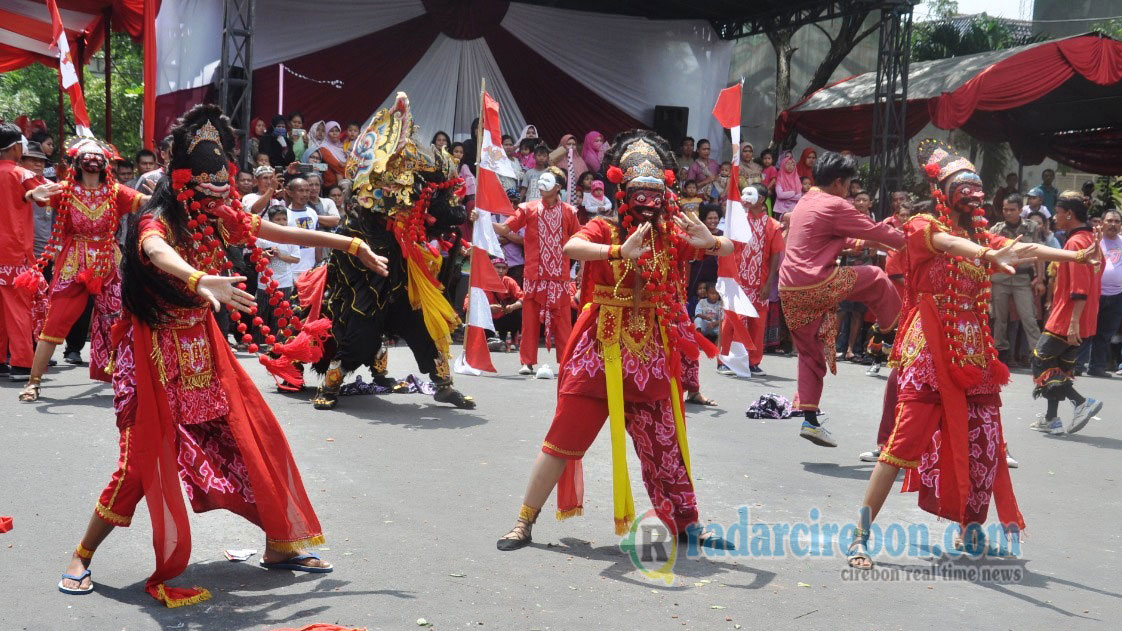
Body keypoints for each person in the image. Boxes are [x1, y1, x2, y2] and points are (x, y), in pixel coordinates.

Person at [55, 104, 389, 605]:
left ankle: (280, 545)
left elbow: (272, 232)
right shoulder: (160, 216)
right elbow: (152, 251)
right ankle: (82, 552)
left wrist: (347, 243)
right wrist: (198, 277)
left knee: (250, 441)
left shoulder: (216, 214)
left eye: (222, 187)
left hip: (202, 348)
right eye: (206, 188)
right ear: (185, 182)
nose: (217, 199)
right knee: (140, 466)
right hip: (151, 353)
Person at [846, 142, 1099, 570]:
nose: (973, 194)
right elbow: (945, 242)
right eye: (964, 186)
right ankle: (859, 535)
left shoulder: (983, 235)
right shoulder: (922, 225)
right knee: (902, 443)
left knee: (985, 443)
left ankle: (970, 526)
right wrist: (986, 255)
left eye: (977, 187)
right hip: (930, 350)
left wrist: (1074, 254)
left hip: (974, 351)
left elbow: (1027, 251)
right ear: (944, 190)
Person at [495, 129, 735, 552]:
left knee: (665, 444)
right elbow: (571, 247)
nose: (646, 202)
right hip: (600, 346)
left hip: (651, 352)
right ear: (624, 190)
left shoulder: (670, 233)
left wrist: (713, 242)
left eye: (654, 193)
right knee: (563, 437)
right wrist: (617, 253)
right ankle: (523, 521)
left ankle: (687, 524)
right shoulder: (604, 227)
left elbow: (732, 246)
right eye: (638, 192)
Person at [274, 93, 474, 411]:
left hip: (399, 268)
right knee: (363, 327)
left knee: (423, 324)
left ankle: (443, 386)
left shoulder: (402, 201)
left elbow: (438, 219)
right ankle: (330, 386)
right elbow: (352, 246)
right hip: (365, 273)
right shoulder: (365, 211)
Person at [778, 152, 904, 448]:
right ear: (838, 182)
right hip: (815, 283)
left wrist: (868, 241)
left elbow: (836, 238)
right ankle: (888, 335)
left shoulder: (806, 201)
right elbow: (873, 229)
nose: (849, 191)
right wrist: (913, 239)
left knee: (811, 353)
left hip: (790, 288)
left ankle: (810, 420)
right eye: (848, 186)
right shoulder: (834, 204)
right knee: (875, 276)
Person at [18, 138, 150, 402]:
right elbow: (36, 194)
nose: (93, 161)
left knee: (121, 320)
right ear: (77, 162)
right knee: (55, 322)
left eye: (98, 157)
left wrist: (163, 193)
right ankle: (34, 381)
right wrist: (32, 194)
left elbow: (144, 201)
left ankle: (131, 378)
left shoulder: (116, 191)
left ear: (106, 164)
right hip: (72, 264)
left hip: (108, 263)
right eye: (87, 157)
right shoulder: (65, 190)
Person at [492, 167, 580, 376]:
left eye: (546, 182)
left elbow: (578, 238)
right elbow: (505, 229)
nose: (541, 185)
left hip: (560, 277)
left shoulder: (569, 211)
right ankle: (527, 362)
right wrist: (482, 220)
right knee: (529, 320)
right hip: (534, 275)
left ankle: (566, 362)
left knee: (563, 322)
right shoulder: (527, 208)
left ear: (558, 187)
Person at [1030, 191, 1104, 435]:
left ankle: (1082, 402)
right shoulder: (1089, 240)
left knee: (1040, 360)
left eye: (1058, 213)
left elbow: (1080, 288)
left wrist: (1072, 323)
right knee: (1058, 367)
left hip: (1069, 318)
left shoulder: (1076, 243)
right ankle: (1052, 419)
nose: (1054, 218)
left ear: (1069, 214)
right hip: (1080, 317)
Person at [0, 124, 60, 382]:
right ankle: (23, 362)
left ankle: (2, 361)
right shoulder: (21, 174)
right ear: (15, 148)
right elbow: (46, 195)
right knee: (18, 308)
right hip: (15, 251)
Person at [989, 194, 1043, 366]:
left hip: (1022, 279)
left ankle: (1038, 355)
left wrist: (1040, 278)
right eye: (1005, 209)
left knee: (1029, 318)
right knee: (1000, 319)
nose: (1008, 213)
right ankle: (1000, 354)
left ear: (1020, 210)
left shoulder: (1032, 227)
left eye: (1012, 210)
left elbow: (1039, 254)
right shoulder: (996, 229)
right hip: (1000, 278)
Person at [255, 207, 301, 342]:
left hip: (284, 282)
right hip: (265, 282)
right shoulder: (263, 238)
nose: (282, 222)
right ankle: (259, 340)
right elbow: (254, 254)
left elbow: (296, 259)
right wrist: (264, 254)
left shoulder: (291, 237)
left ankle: (278, 340)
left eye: (284, 219)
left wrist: (280, 255)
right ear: (270, 221)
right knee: (262, 312)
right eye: (278, 219)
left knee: (281, 314)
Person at [1085, 209, 1122, 378]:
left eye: (1116, 221)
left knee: (1105, 333)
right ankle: (1076, 365)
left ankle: (1097, 367)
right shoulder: (1094, 241)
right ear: (1101, 223)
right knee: (1086, 330)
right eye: (1110, 221)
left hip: (1117, 296)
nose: (1113, 224)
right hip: (1094, 293)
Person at [284, 177, 319, 276]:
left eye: (307, 191)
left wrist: (318, 263)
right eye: (301, 191)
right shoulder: (285, 215)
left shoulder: (312, 213)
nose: (305, 194)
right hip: (290, 270)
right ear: (290, 193)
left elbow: (317, 240)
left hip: (310, 269)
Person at [773, 151, 802, 215]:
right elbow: (780, 195)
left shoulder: (797, 179)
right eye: (788, 163)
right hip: (780, 210)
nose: (790, 166)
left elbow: (799, 196)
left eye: (792, 164)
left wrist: (785, 195)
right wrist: (793, 192)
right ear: (783, 164)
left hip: (793, 210)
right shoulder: (779, 178)